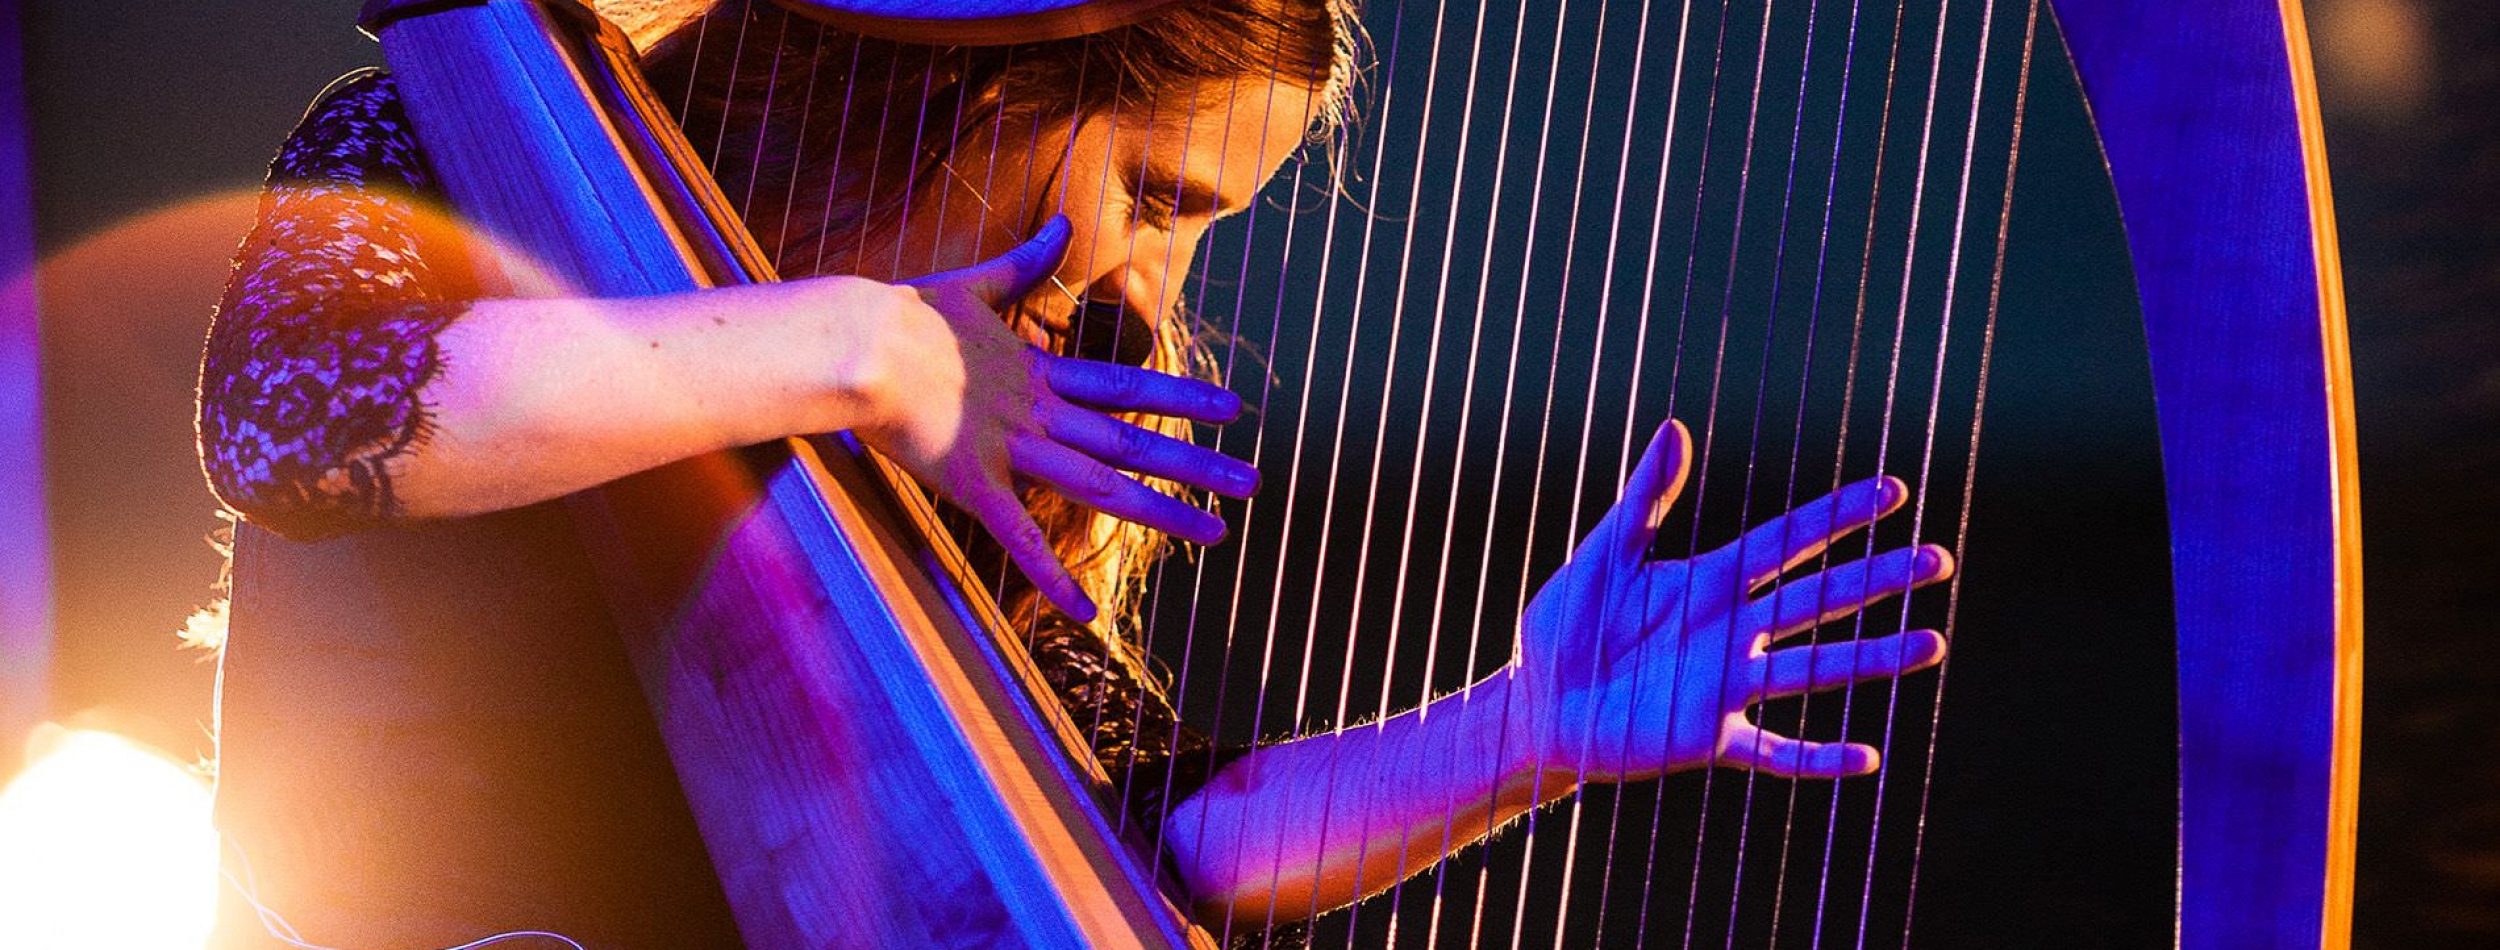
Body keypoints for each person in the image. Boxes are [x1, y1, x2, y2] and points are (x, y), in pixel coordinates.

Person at [196, 1, 1954, 946]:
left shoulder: (1040, 379)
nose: (1150, 284)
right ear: (993, 90)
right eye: (1162, 196)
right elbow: (304, 413)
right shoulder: (450, 142)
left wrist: (1523, 727)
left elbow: (1140, 823)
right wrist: (869, 347)